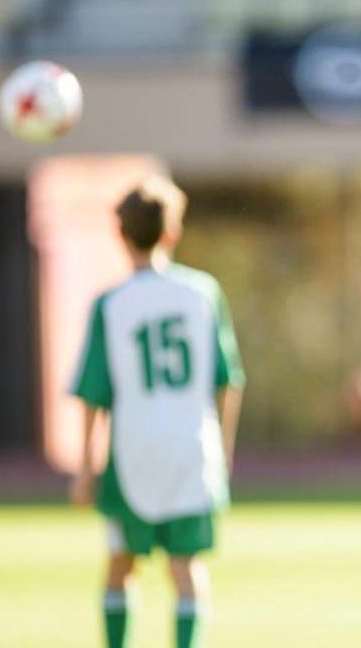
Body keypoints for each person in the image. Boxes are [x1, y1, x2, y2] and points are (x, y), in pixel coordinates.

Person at [69, 175, 245, 648]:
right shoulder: (203, 293)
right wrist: (223, 453)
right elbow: (228, 381)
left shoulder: (111, 303)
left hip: (133, 453)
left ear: (121, 235)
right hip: (192, 449)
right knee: (187, 569)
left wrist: (86, 467)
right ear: (173, 232)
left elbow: (93, 393)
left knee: (120, 565)